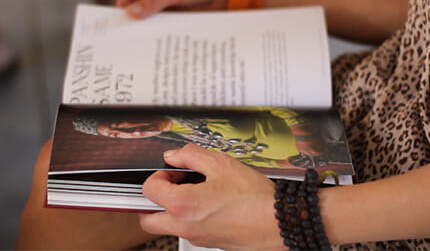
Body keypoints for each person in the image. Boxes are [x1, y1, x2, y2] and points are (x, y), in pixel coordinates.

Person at [16, 0, 430, 250]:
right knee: (62, 177)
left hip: (386, 211)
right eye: (116, 129)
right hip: (367, 101)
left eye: (118, 124)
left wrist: (292, 217)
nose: (125, 128)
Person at [72, 108, 346, 170]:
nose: (127, 133)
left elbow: (274, 99)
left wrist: (302, 132)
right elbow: (250, 159)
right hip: (324, 158)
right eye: (116, 135)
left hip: (329, 127)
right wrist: (288, 165)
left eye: (119, 123)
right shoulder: (183, 144)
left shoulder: (193, 108)